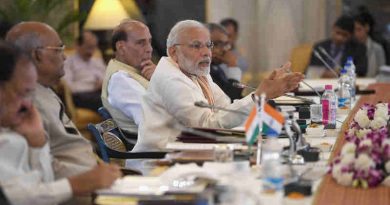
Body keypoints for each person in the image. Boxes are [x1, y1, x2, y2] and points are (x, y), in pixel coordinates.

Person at [132, 20, 304, 152]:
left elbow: (226, 110)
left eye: (208, 45)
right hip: (159, 164)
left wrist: (267, 98)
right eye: (196, 46)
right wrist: (259, 96)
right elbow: (207, 125)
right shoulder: (170, 79)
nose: (207, 52)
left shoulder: (197, 71)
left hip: (195, 150)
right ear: (173, 52)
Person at [0, 41, 121, 205]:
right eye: (23, 93)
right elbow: (13, 197)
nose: (28, 104)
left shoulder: (14, 127)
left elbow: (41, 185)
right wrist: (76, 184)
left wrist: (37, 144)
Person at [6, 22, 97, 180]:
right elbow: (42, 167)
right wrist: (92, 180)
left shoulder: (44, 89)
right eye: (59, 48)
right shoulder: (27, 104)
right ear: (37, 55)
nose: (64, 56)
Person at [101, 19, 155, 137]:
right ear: (121, 47)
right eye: (141, 43)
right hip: (155, 150)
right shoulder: (120, 80)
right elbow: (153, 122)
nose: (149, 49)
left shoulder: (138, 71)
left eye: (149, 42)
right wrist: (160, 81)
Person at [63, 31, 105, 111]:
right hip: (80, 95)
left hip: (99, 93)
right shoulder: (68, 62)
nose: (91, 52)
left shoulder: (97, 61)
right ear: (78, 46)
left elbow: (107, 79)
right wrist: (92, 86)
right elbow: (68, 87)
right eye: (88, 47)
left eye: (93, 48)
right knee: (105, 102)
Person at [207, 23, 243, 101]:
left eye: (225, 44)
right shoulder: (204, 72)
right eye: (217, 44)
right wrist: (233, 66)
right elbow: (230, 99)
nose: (224, 49)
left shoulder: (216, 68)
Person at [354, 11, 386, 77]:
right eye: (354, 30)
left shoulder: (377, 48)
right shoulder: (352, 47)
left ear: (367, 28)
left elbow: (382, 72)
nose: (356, 33)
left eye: (359, 29)